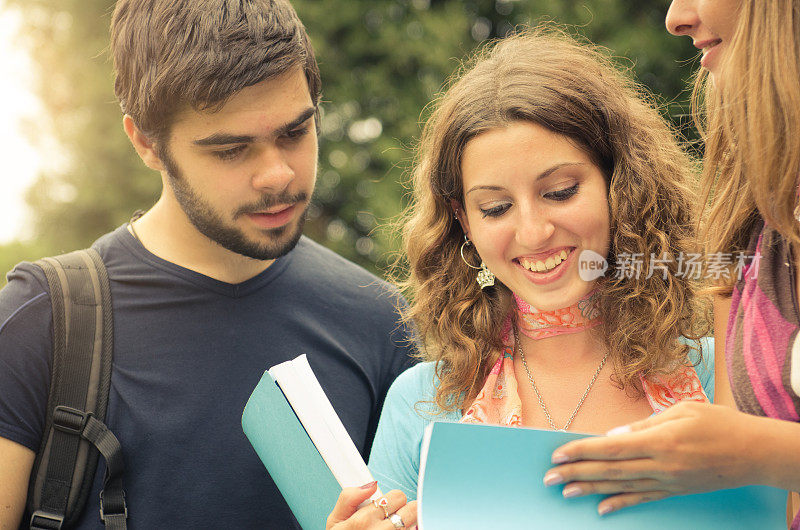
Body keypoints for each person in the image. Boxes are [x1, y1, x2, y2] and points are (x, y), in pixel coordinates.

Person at [0, 1, 417, 528]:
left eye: (295, 133)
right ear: (146, 143)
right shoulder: (41, 321)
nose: (277, 174)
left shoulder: (386, 322)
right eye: (231, 150)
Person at [325, 26, 715, 529]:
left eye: (560, 191)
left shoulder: (716, 374)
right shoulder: (421, 405)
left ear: (622, 184)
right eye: (496, 207)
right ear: (464, 220)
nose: (533, 233)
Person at [545, 0, 800, 525]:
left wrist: (760, 453)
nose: (675, 17)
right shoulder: (751, 220)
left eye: (563, 191)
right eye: (494, 206)